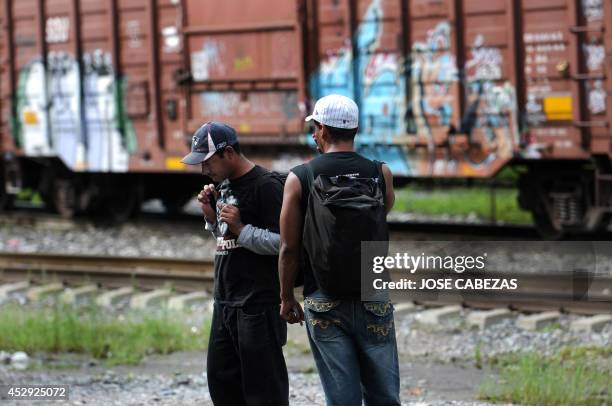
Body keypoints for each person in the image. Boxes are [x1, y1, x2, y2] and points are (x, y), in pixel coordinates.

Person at [278, 95, 400, 405]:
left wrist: (286, 296)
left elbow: (289, 248)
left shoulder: (300, 177)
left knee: (342, 399)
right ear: (355, 130)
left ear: (322, 130)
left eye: (314, 129)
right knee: (384, 396)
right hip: (373, 297)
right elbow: (381, 213)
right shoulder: (379, 172)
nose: (314, 135)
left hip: (324, 299)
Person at [181, 121, 288, 406]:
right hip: (225, 302)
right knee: (222, 385)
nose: (204, 170)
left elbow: (286, 244)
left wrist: (241, 228)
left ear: (228, 152)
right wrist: (211, 218)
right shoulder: (224, 186)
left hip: (257, 305)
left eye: (207, 162)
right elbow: (227, 239)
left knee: (264, 392)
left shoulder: (267, 186)